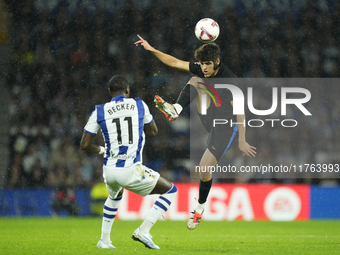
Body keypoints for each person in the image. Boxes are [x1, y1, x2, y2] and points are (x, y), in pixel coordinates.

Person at [135, 35, 256, 230]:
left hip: (225, 125)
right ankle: (176, 109)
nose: (205, 68)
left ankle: (199, 208)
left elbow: (241, 113)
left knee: (203, 168)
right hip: (208, 113)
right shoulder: (202, 69)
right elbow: (174, 62)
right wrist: (151, 49)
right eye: (202, 64)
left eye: (208, 64)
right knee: (196, 79)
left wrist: (242, 140)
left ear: (217, 62)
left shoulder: (231, 81)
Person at [80, 75, 177, 249]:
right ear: (127, 91)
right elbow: (153, 132)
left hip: (109, 170)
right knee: (170, 190)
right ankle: (144, 231)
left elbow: (85, 144)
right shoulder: (139, 104)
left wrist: (101, 150)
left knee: (115, 195)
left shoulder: (100, 110)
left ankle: (105, 240)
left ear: (110, 92)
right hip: (130, 168)